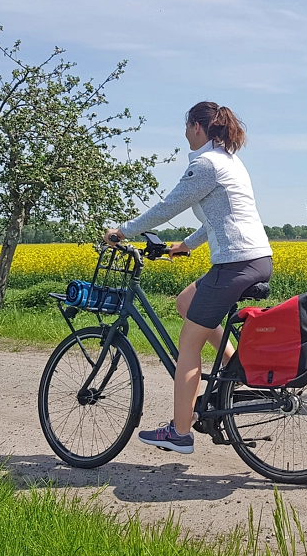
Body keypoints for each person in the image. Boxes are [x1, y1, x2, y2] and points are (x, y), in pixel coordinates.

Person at [105, 101, 273, 454]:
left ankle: (180, 432)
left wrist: (124, 231)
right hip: (251, 258)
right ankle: (236, 370)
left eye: (186, 127)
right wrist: (189, 245)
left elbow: (169, 206)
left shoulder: (205, 164)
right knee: (186, 303)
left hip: (235, 263)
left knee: (189, 345)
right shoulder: (228, 160)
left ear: (198, 127)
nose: (184, 134)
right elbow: (222, 215)